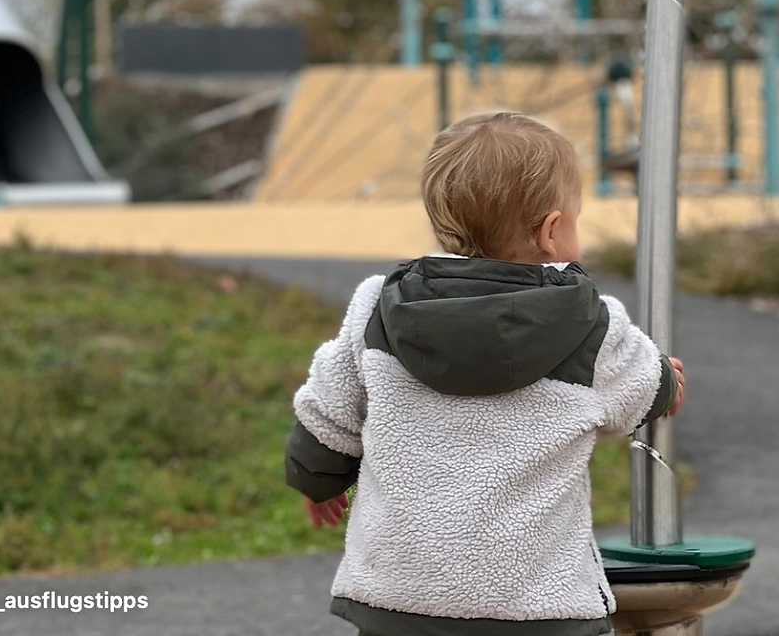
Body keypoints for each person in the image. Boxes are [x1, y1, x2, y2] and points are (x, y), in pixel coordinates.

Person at [284, 112, 685, 636]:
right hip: (539, 608)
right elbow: (641, 392)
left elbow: (329, 408)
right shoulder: (592, 326)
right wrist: (666, 380)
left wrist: (317, 479)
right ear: (551, 230)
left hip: (401, 601)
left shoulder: (378, 309)